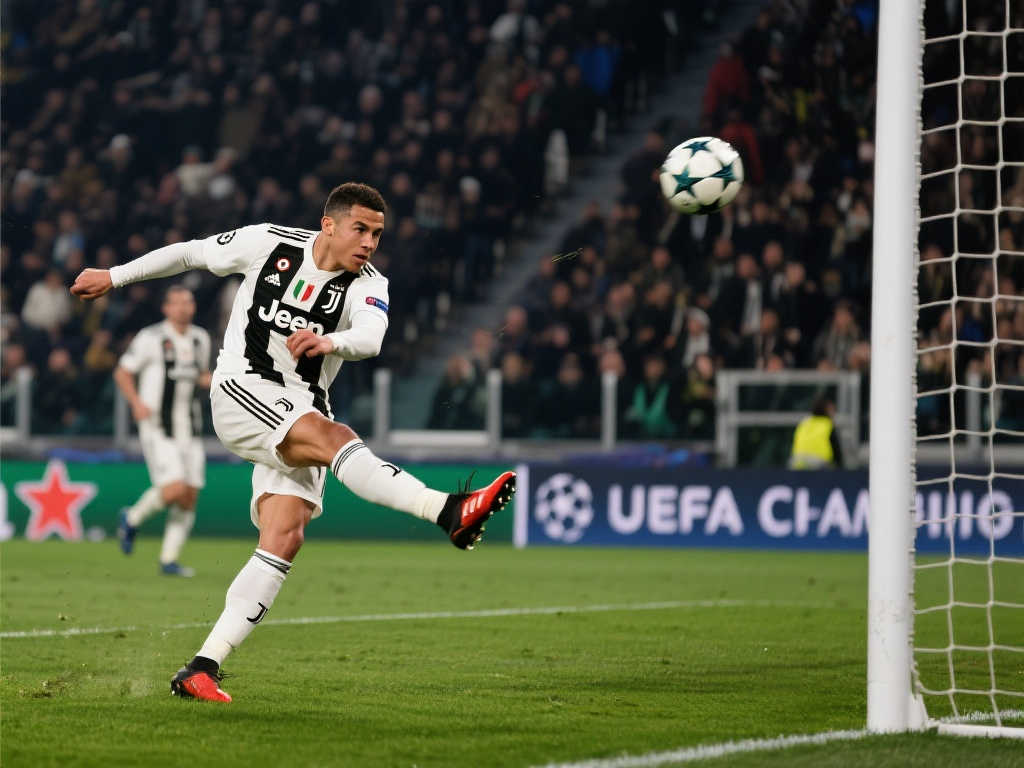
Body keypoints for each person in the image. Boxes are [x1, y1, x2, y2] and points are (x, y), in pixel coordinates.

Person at [71, 182, 516, 703]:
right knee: (338, 438)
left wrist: (331, 340)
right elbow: (191, 253)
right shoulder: (269, 243)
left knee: (285, 536)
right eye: (360, 230)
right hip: (242, 389)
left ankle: (201, 667)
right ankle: (448, 510)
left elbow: (371, 338)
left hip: (302, 408)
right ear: (329, 224)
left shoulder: (370, 283)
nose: (369, 243)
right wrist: (115, 275)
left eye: (377, 234)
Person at [114, 285, 212, 577]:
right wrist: (135, 402)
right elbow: (123, 371)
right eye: (177, 302)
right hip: (158, 426)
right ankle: (131, 518)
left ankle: (169, 560)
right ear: (166, 308)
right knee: (175, 488)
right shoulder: (151, 337)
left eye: (188, 302)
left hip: (190, 426)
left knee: (189, 495)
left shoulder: (201, 338)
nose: (183, 307)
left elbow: (199, 375)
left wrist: (210, 380)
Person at [789, 395, 843, 469]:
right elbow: (836, 449)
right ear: (825, 410)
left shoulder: (804, 422)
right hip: (820, 463)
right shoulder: (827, 424)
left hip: (797, 462)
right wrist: (841, 465)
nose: (833, 412)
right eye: (832, 409)